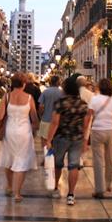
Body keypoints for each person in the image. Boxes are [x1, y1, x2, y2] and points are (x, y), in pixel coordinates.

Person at [45, 75, 89, 205]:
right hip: (77, 138)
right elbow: (86, 124)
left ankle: (56, 189)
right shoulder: (83, 104)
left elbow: (55, 122)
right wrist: (85, 140)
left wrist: (48, 139)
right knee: (73, 166)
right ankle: (71, 194)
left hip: (61, 137)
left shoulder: (60, 103)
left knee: (58, 164)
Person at [0, 72, 38, 202]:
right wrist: (34, 129)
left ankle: (9, 186)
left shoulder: (7, 97)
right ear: (24, 84)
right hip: (24, 132)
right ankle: (17, 193)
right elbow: (34, 118)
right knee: (22, 160)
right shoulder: (29, 98)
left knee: (9, 158)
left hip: (10, 131)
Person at [87, 78, 112, 199]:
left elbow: (88, 117)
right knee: (109, 159)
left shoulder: (94, 99)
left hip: (97, 131)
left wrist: (84, 134)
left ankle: (99, 189)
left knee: (97, 160)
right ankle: (108, 184)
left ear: (99, 87)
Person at [38, 76, 63, 148]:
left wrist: (40, 115)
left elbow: (41, 106)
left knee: (44, 141)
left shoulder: (45, 92)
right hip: (58, 121)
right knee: (56, 142)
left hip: (46, 119)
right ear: (58, 82)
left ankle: (46, 157)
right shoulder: (61, 93)